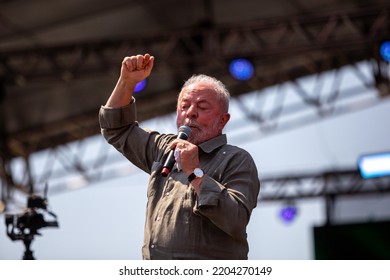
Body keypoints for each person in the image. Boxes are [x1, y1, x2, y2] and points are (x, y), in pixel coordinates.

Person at [99, 53, 260, 260]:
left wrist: (195, 172)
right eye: (184, 106)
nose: (190, 113)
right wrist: (127, 82)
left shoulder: (236, 159)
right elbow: (117, 129)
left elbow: (236, 219)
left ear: (223, 120)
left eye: (202, 107)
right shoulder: (165, 148)